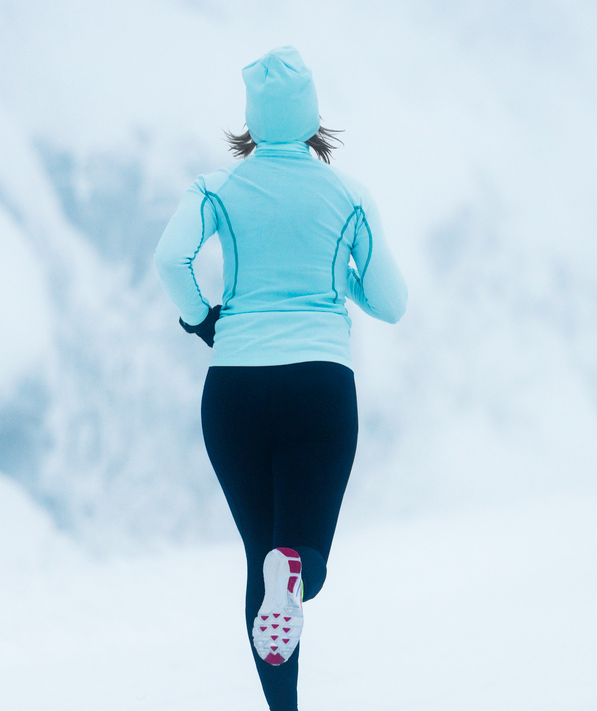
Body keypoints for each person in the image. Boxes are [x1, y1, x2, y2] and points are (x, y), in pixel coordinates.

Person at [153, 46, 407, 711]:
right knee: (298, 559)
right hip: (318, 386)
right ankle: (296, 570)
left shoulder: (216, 188)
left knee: (260, 555)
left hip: (234, 390)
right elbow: (391, 302)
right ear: (314, 118)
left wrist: (201, 320)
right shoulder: (347, 196)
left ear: (252, 122)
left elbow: (170, 258)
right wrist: (338, 273)